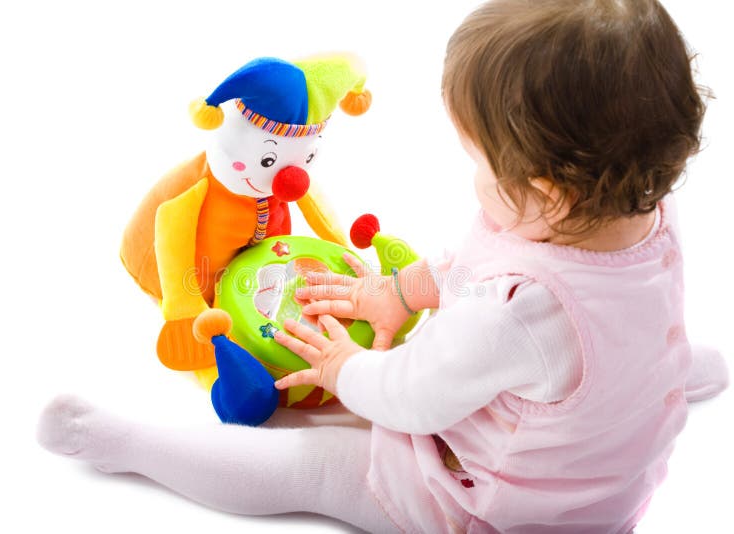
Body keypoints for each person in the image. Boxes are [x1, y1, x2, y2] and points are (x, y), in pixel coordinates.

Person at [37, 0, 728, 532]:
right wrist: (397, 291)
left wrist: (344, 369)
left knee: (311, 469)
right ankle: (655, 380)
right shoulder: (643, 217)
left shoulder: (516, 318)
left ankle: (122, 443)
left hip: (496, 509)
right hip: (606, 446)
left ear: (548, 190)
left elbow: (411, 397)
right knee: (616, 352)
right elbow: (480, 263)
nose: (475, 185)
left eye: (480, 165)